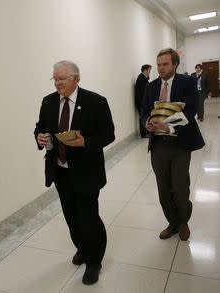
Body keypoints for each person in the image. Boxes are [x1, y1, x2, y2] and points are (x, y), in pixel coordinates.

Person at [34, 60, 115, 285]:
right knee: (71, 216)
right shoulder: (48, 102)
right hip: (60, 171)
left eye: (61, 79)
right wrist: (39, 138)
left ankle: (94, 261)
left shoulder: (95, 102)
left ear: (76, 79)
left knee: (88, 217)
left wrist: (85, 142)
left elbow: (109, 134)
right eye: (55, 79)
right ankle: (82, 247)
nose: (57, 83)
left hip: (87, 172)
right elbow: (40, 126)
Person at [140, 48, 205, 241]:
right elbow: (144, 111)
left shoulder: (187, 82)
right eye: (158, 64)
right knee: (163, 189)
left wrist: (170, 128)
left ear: (175, 64)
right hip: (158, 145)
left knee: (180, 187)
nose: (161, 68)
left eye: (165, 64)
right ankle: (173, 222)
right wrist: (146, 123)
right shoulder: (151, 87)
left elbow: (191, 110)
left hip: (180, 143)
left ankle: (183, 221)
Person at [135, 64, 152, 137]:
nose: (149, 72)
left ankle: (146, 132)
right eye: (149, 70)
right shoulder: (141, 78)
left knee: (145, 116)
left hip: (143, 102)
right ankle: (143, 133)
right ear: (145, 70)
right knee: (142, 117)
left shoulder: (144, 78)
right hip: (141, 102)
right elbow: (144, 92)